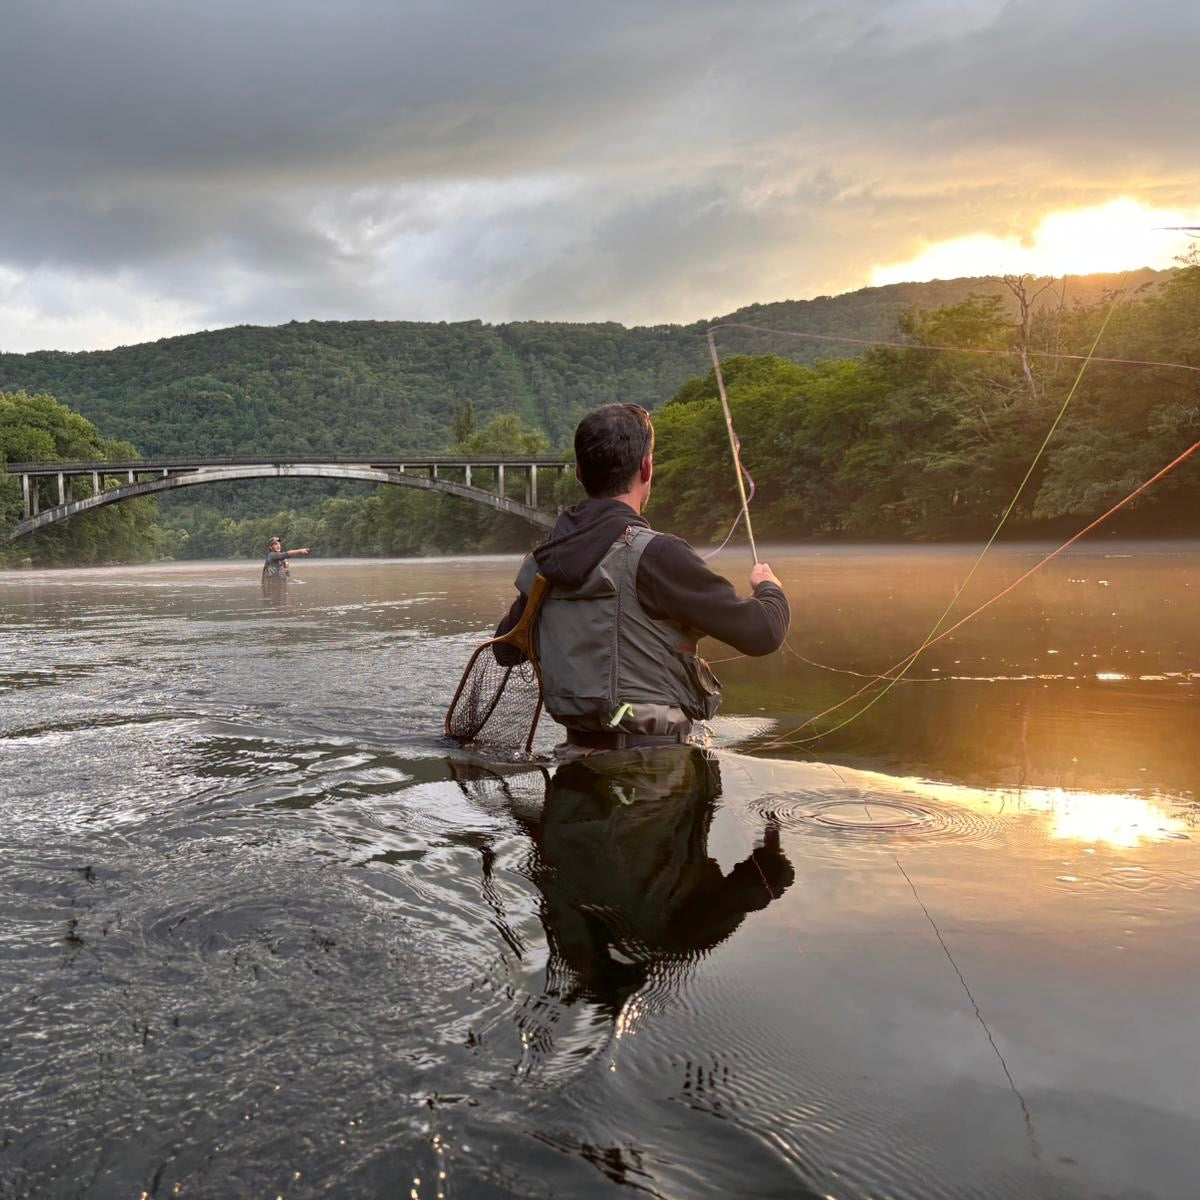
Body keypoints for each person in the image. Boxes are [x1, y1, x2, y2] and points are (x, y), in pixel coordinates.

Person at [495, 403, 789, 752]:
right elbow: (764, 633)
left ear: (579, 473)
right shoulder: (658, 556)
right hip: (656, 777)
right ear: (646, 467)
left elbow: (505, 651)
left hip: (575, 767)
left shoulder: (544, 563)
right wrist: (769, 588)